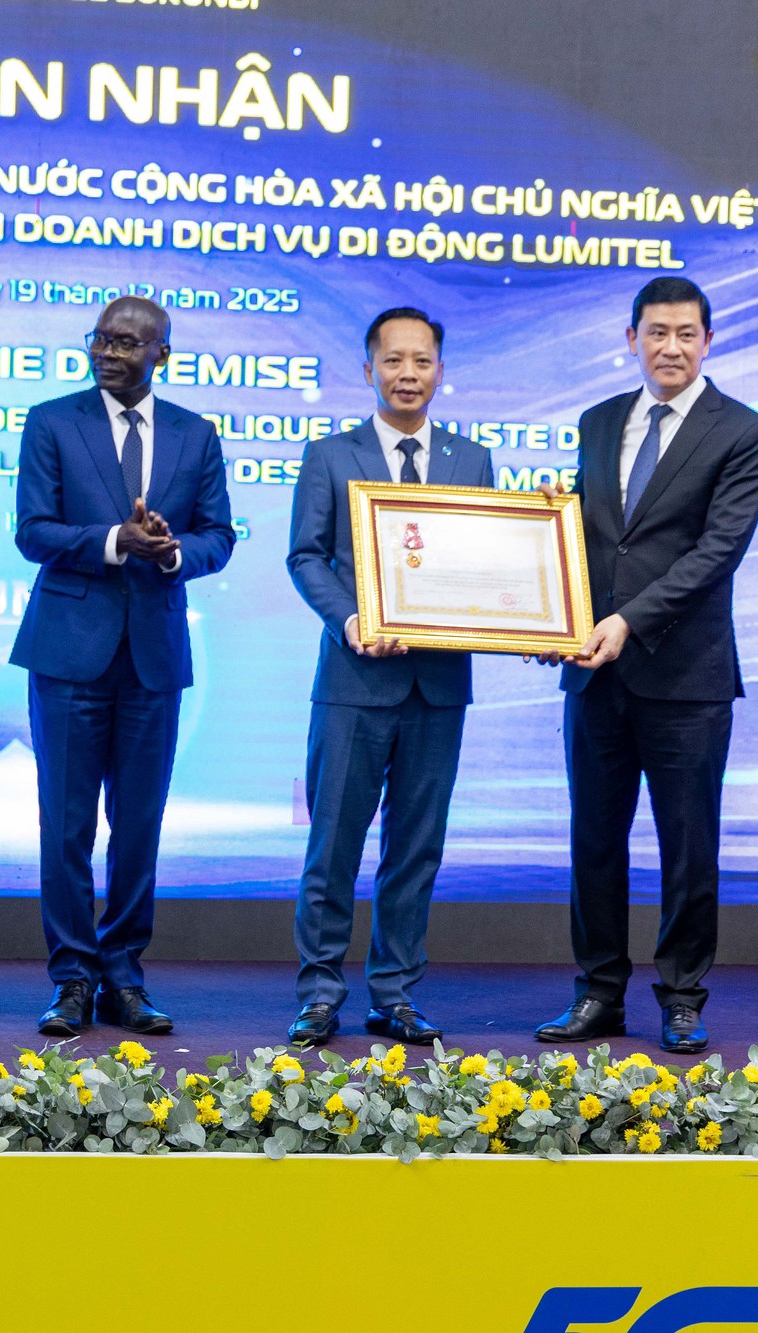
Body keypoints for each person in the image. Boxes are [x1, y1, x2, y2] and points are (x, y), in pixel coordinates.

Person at [534, 275, 758, 1055]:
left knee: (687, 845)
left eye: (686, 333)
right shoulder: (599, 420)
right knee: (594, 841)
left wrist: (627, 621)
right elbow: (592, 536)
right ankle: (598, 992)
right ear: (630, 338)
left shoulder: (744, 431)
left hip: (687, 676)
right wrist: (549, 604)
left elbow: (717, 551)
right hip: (594, 672)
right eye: (656, 332)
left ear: (709, 340)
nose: (670, 347)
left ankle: (682, 997)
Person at [11, 295, 235, 1037]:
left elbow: (218, 536)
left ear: (160, 353)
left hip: (154, 655)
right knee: (66, 824)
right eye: (101, 339)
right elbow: (33, 532)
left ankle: (124, 975)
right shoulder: (51, 421)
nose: (108, 352)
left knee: (138, 825)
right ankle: (72, 977)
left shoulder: (195, 433)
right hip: (67, 652)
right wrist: (115, 541)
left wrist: (170, 552)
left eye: (126, 343)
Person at [282, 308, 493, 1048]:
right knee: (333, 844)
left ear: (440, 370)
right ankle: (319, 992)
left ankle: (396, 993)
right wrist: (349, 620)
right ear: (368, 368)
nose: (409, 374)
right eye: (395, 361)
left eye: (422, 361)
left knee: (417, 846)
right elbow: (306, 556)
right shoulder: (329, 455)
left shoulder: (473, 460)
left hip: (439, 686)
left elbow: (487, 564)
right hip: (354, 681)